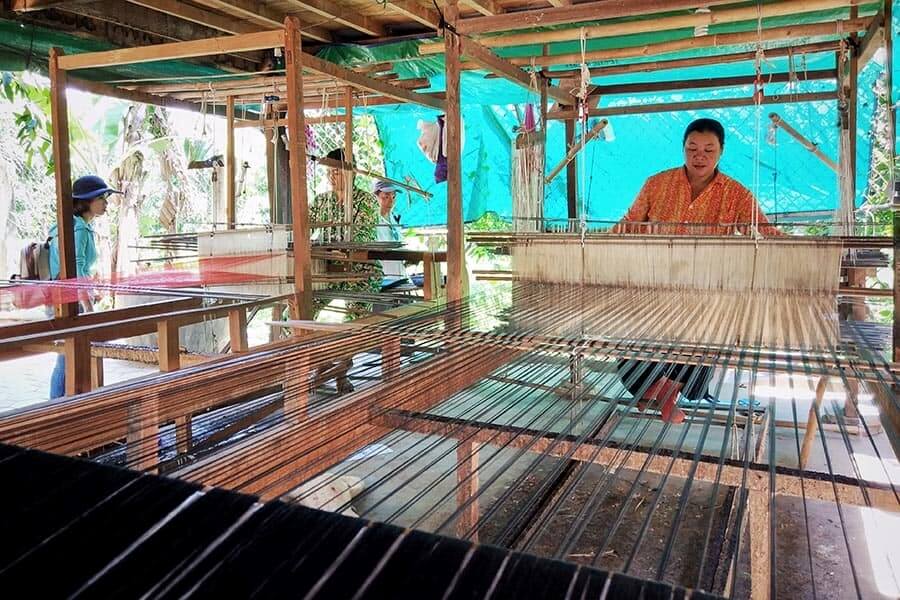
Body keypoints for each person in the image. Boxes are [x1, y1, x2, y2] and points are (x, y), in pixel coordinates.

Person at [614, 118, 781, 423]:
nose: (699, 156)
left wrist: (811, 252)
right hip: (657, 285)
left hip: (705, 291)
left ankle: (668, 390)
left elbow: (766, 233)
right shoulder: (657, 184)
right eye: (692, 148)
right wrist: (588, 248)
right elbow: (628, 223)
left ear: (721, 152)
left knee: (699, 346)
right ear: (683, 149)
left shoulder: (736, 195)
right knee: (634, 343)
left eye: (708, 149)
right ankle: (656, 389)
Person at [310, 149, 381, 393]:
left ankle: (340, 372)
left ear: (350, 172)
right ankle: (324, 364)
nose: (331, 176)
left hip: (360, 272)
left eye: (336, 171)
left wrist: (341, 249)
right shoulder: (321, 202)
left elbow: (361, 238)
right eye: (329, 171)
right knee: (295, 315)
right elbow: (303, 229)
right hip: (329, 271)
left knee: (354, 323)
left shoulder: (366, 201)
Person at [48, 175, 120, 399]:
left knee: (69, 355)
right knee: (67, 357)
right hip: (68, 300)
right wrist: (87, 306)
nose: (106, 203)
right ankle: (57, 407)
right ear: (87, 201)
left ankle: (66, 404)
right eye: (102, 198)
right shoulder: (77, 229)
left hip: (63, 296)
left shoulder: (74, 226)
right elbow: (76, 269)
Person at [373, 180, 409, 288]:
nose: (391, 201)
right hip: (383, 280)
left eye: (393, 197)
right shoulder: (373, 221)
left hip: (399, 278)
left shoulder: (393, 219)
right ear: (376, 197)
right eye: (386, 197)